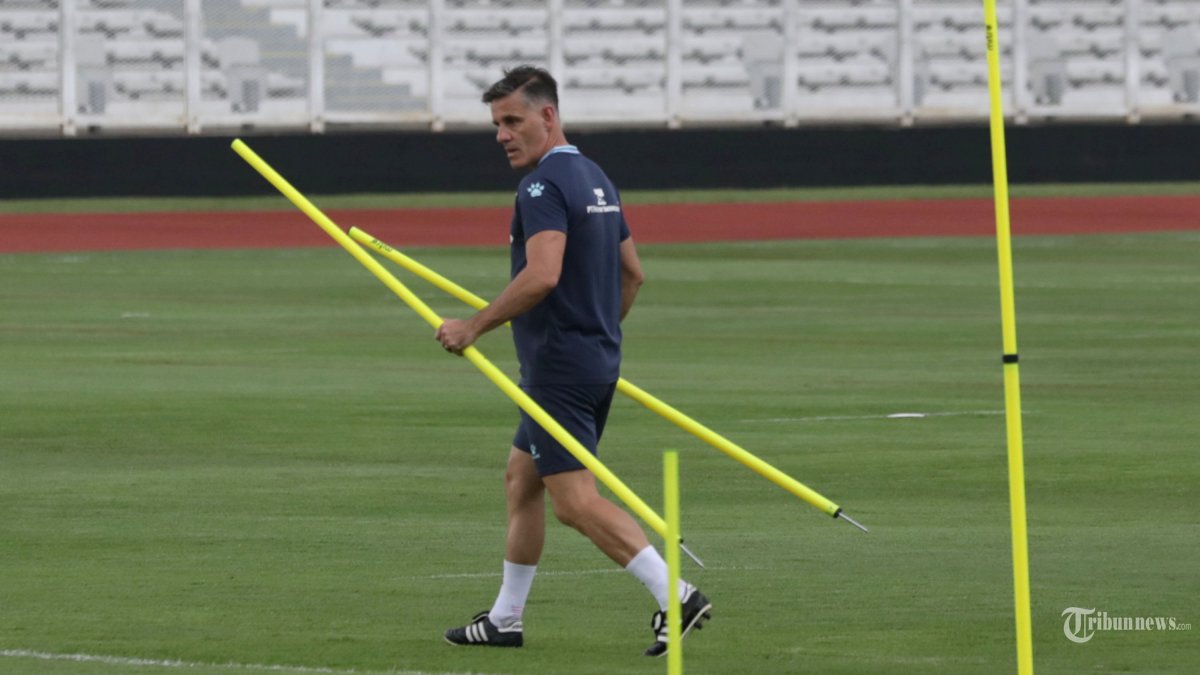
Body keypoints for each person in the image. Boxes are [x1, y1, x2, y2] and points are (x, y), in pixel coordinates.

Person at [435, 65, 712, 657]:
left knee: (574, 502)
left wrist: (473, 327)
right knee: (521, 478)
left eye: (512, 121)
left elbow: (542, 275)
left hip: (557, 369)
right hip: (590, 363)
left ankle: (676, 594)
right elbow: (633, 273)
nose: (503, 135)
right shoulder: (596, 176)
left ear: (548, 116)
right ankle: (506, 618)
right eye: (496, 124)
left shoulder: (540, 187)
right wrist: (597, 334)